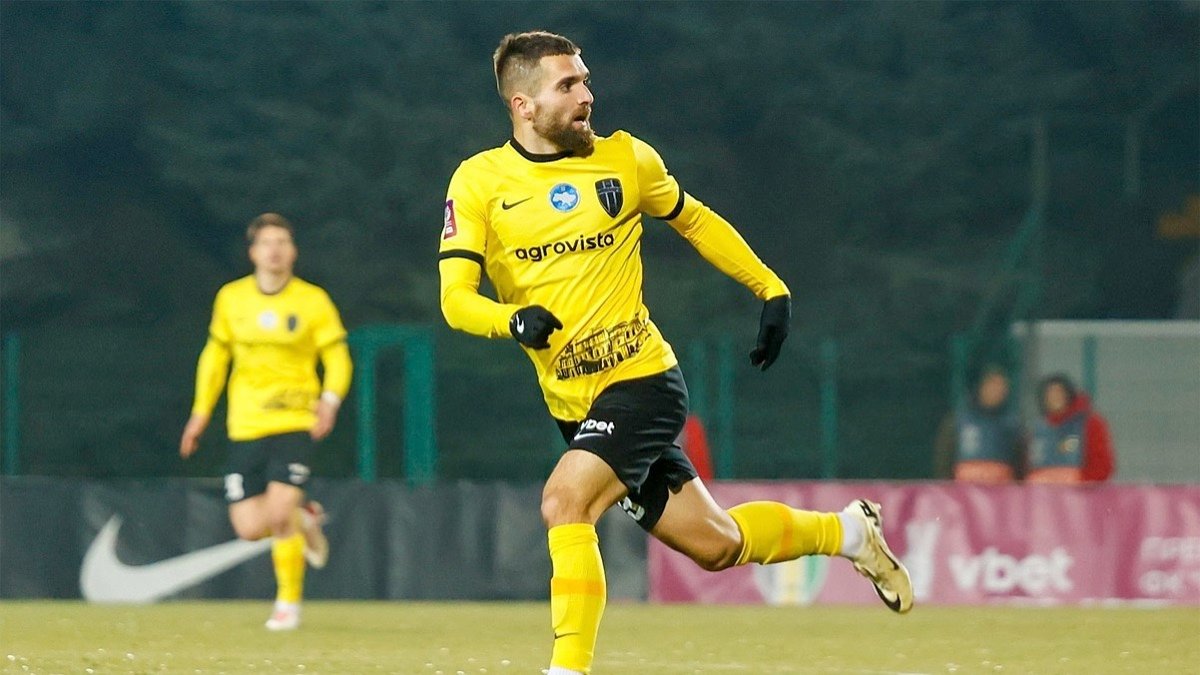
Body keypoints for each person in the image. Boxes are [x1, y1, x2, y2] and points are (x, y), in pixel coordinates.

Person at [438, 31, 912, 675]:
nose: (587, 96)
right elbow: (455, 300)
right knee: (716, 545)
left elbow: (694, 219)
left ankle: (566, 670)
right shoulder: (479, 182)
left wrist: (769, 288)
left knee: (564, 502)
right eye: (567, 85)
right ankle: (851, 532)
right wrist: (510, 319)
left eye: (585, 80)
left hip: (643, 381)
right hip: (573, 405)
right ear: (523, 105)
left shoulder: (626, 159)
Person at [179, 213, 352, 630]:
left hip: (295, 421)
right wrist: (200, 413)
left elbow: (337, 357)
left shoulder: (312, 301)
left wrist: (329, 401)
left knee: (278, 515)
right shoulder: (231, 298)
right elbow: (215, 359)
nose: (275, 250)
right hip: (246, 425)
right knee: (249, 528)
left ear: (293, 251)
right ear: (253, 252)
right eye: (267, 243)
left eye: (282, 242)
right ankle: (304, 517)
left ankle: (287, 605)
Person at [933, 365, 1025, 482]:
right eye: (992, 385)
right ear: (981, 387)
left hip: (1001, 490)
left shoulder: (1013, 426)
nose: (997, 391)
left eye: (1001, 387)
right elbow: (943, 461)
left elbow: (1020, 465)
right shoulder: (957, 421)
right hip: (963, 490)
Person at [1027, 373, 1115, 483]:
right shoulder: (1038, 429)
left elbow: (1103, 467)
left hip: (1080, 491)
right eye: (1049, 394)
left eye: (1058, 393)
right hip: (1043, 492)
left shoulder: (1090, 424)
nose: (1054, 398)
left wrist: (1077, 478)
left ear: (1069, 394)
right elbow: (1029, 466)